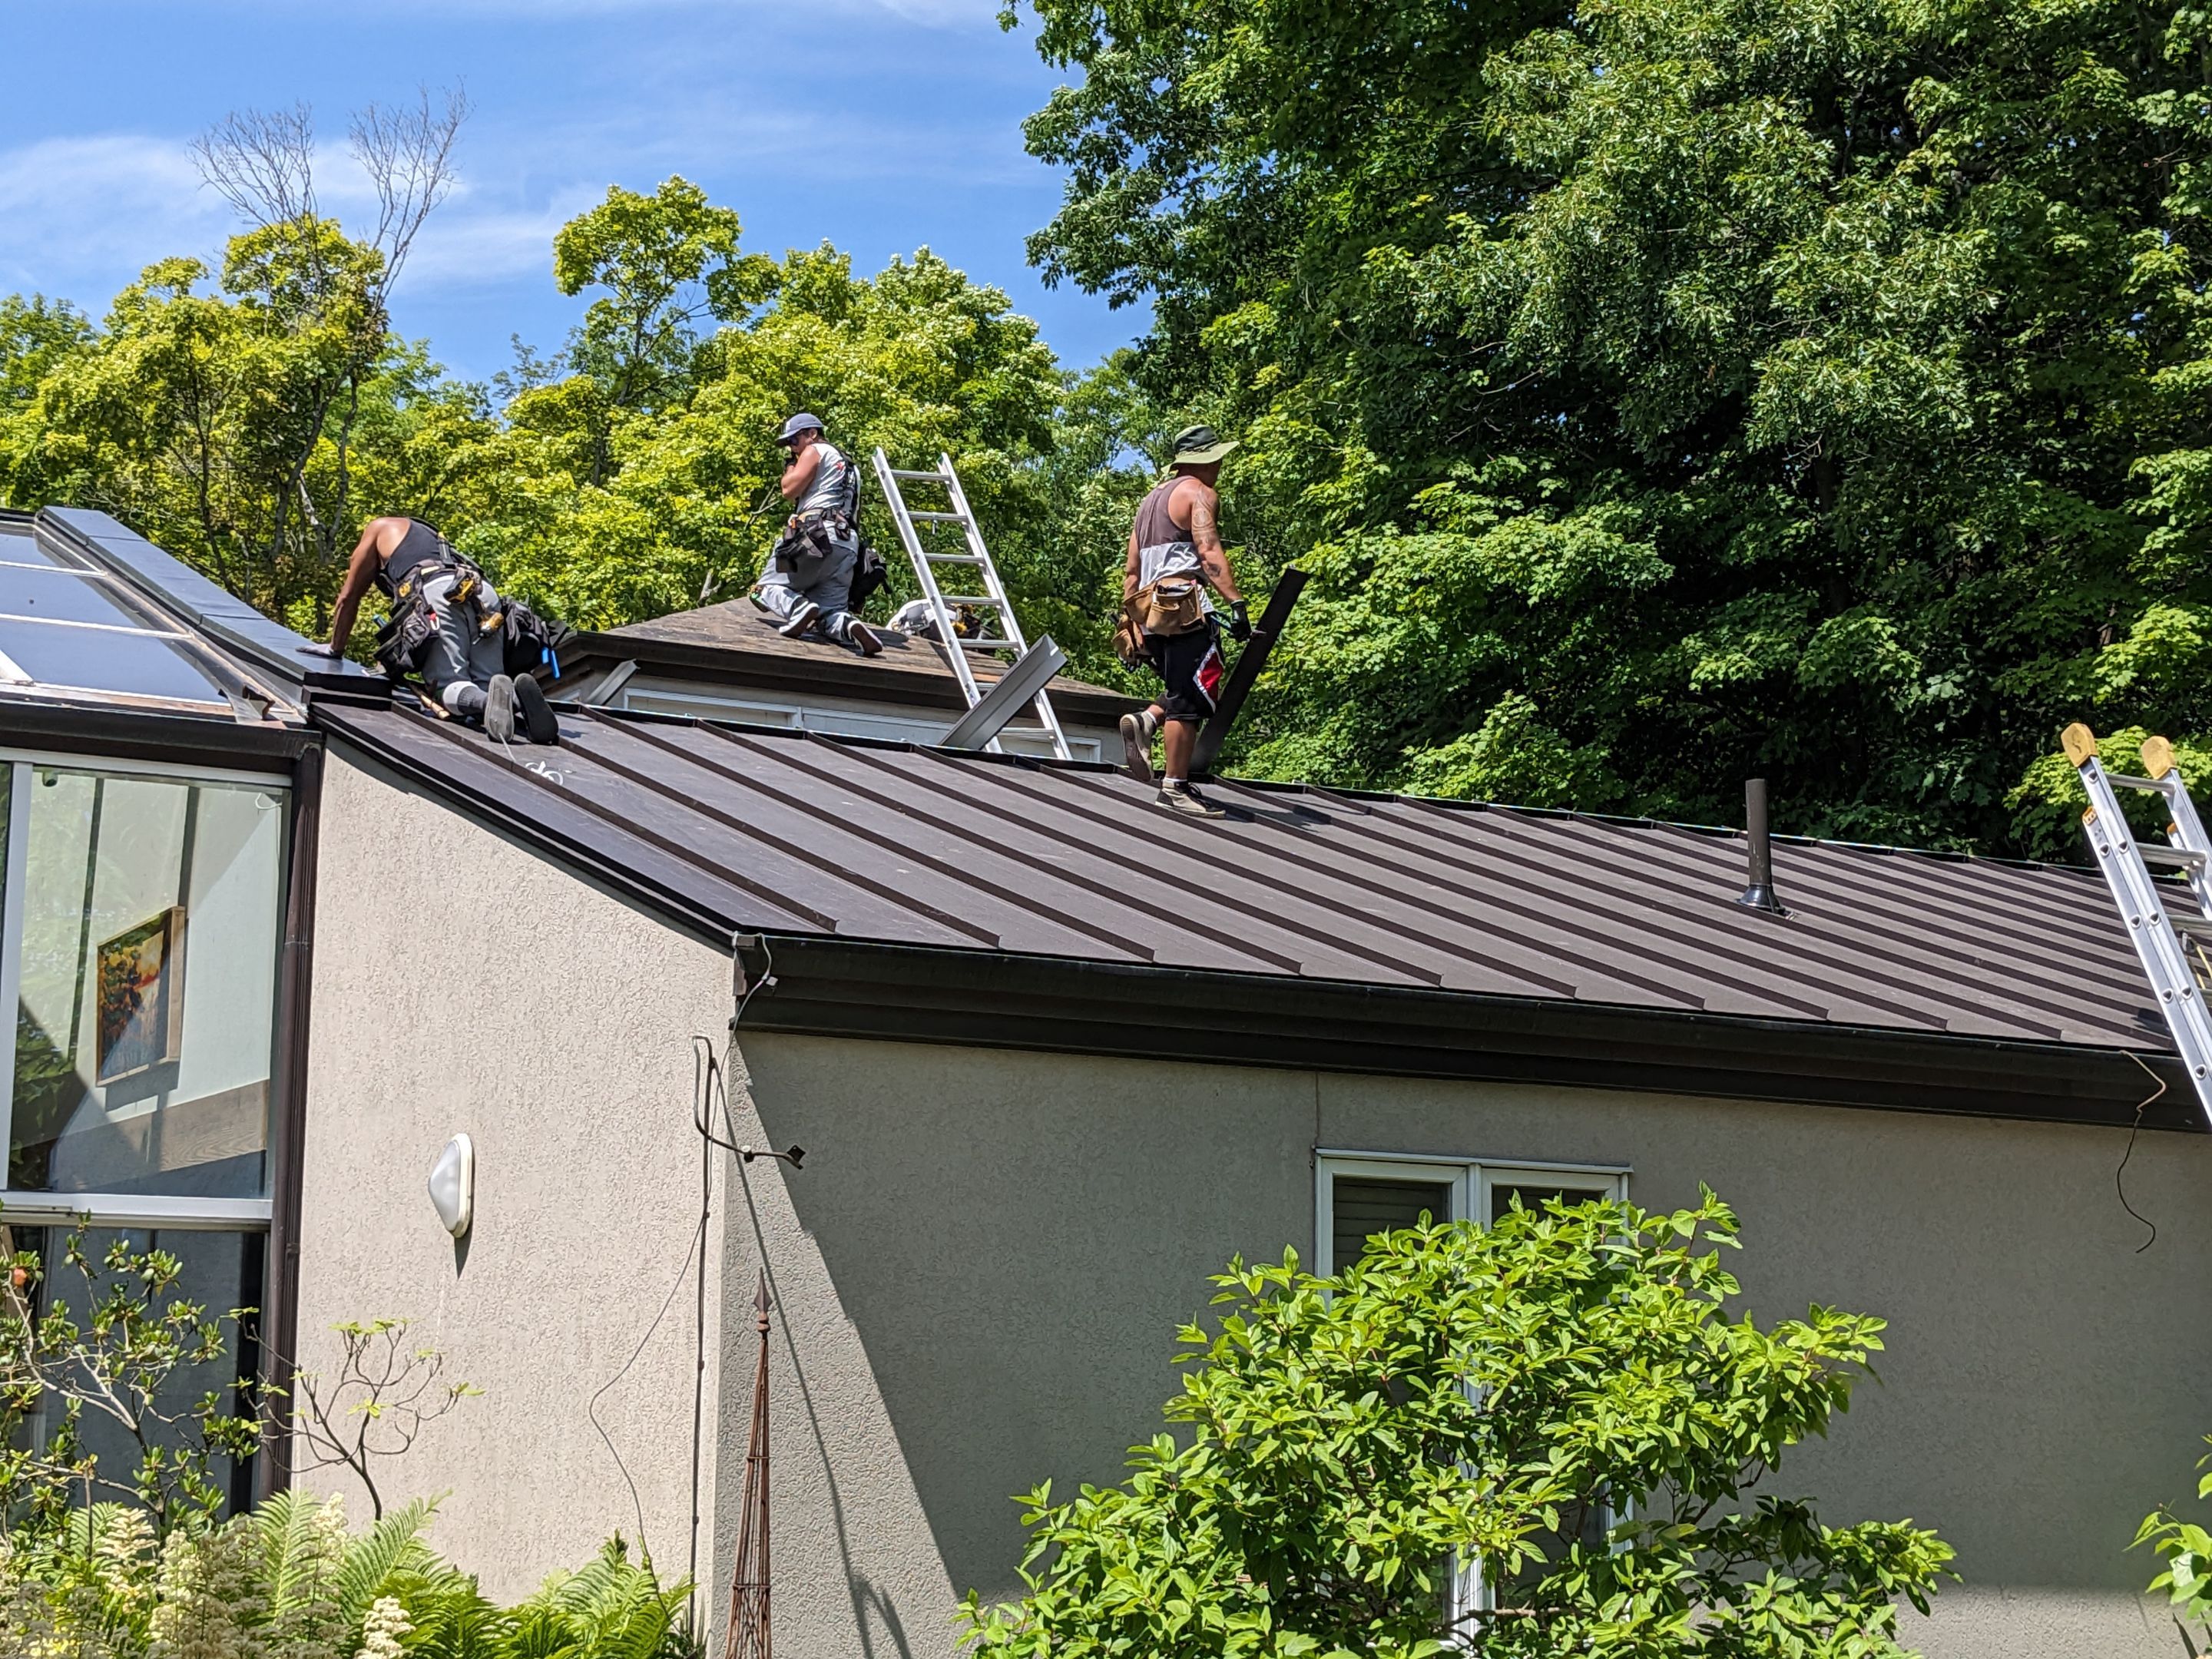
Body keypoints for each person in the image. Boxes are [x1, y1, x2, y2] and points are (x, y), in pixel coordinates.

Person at [318, 516, 561, 744]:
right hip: (482, 591)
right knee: (490, 684)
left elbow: (348, 597)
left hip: (439, 592)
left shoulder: (377, 529)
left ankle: (487, 702)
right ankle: (518, 702)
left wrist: (334, 649)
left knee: (449, 686)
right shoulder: (432, 539)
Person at [1118, 424, 1251, 818]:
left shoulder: (1148, 503)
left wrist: (1134, 622)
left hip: (1149, 610)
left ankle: (1147, 719)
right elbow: (1208, 551)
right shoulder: (1199, 493)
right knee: (1193, 698)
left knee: (1186, 688)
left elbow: (1131, 571)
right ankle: (1174, 787)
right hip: (1184, 608)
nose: (1222, 465)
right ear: (1207, 459)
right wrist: (1236, 603)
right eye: (1219, 458)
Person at [752, 413, 882, 657]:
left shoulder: (815, 450)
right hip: (847, 545)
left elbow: (788, 490)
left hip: (813, 534)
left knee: (764, 589)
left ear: (812, 434)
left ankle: (798, 607)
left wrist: (791, 468)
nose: (792, 449)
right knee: (828, 611)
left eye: (794, 441)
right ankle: (846, 625)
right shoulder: (851, 467)